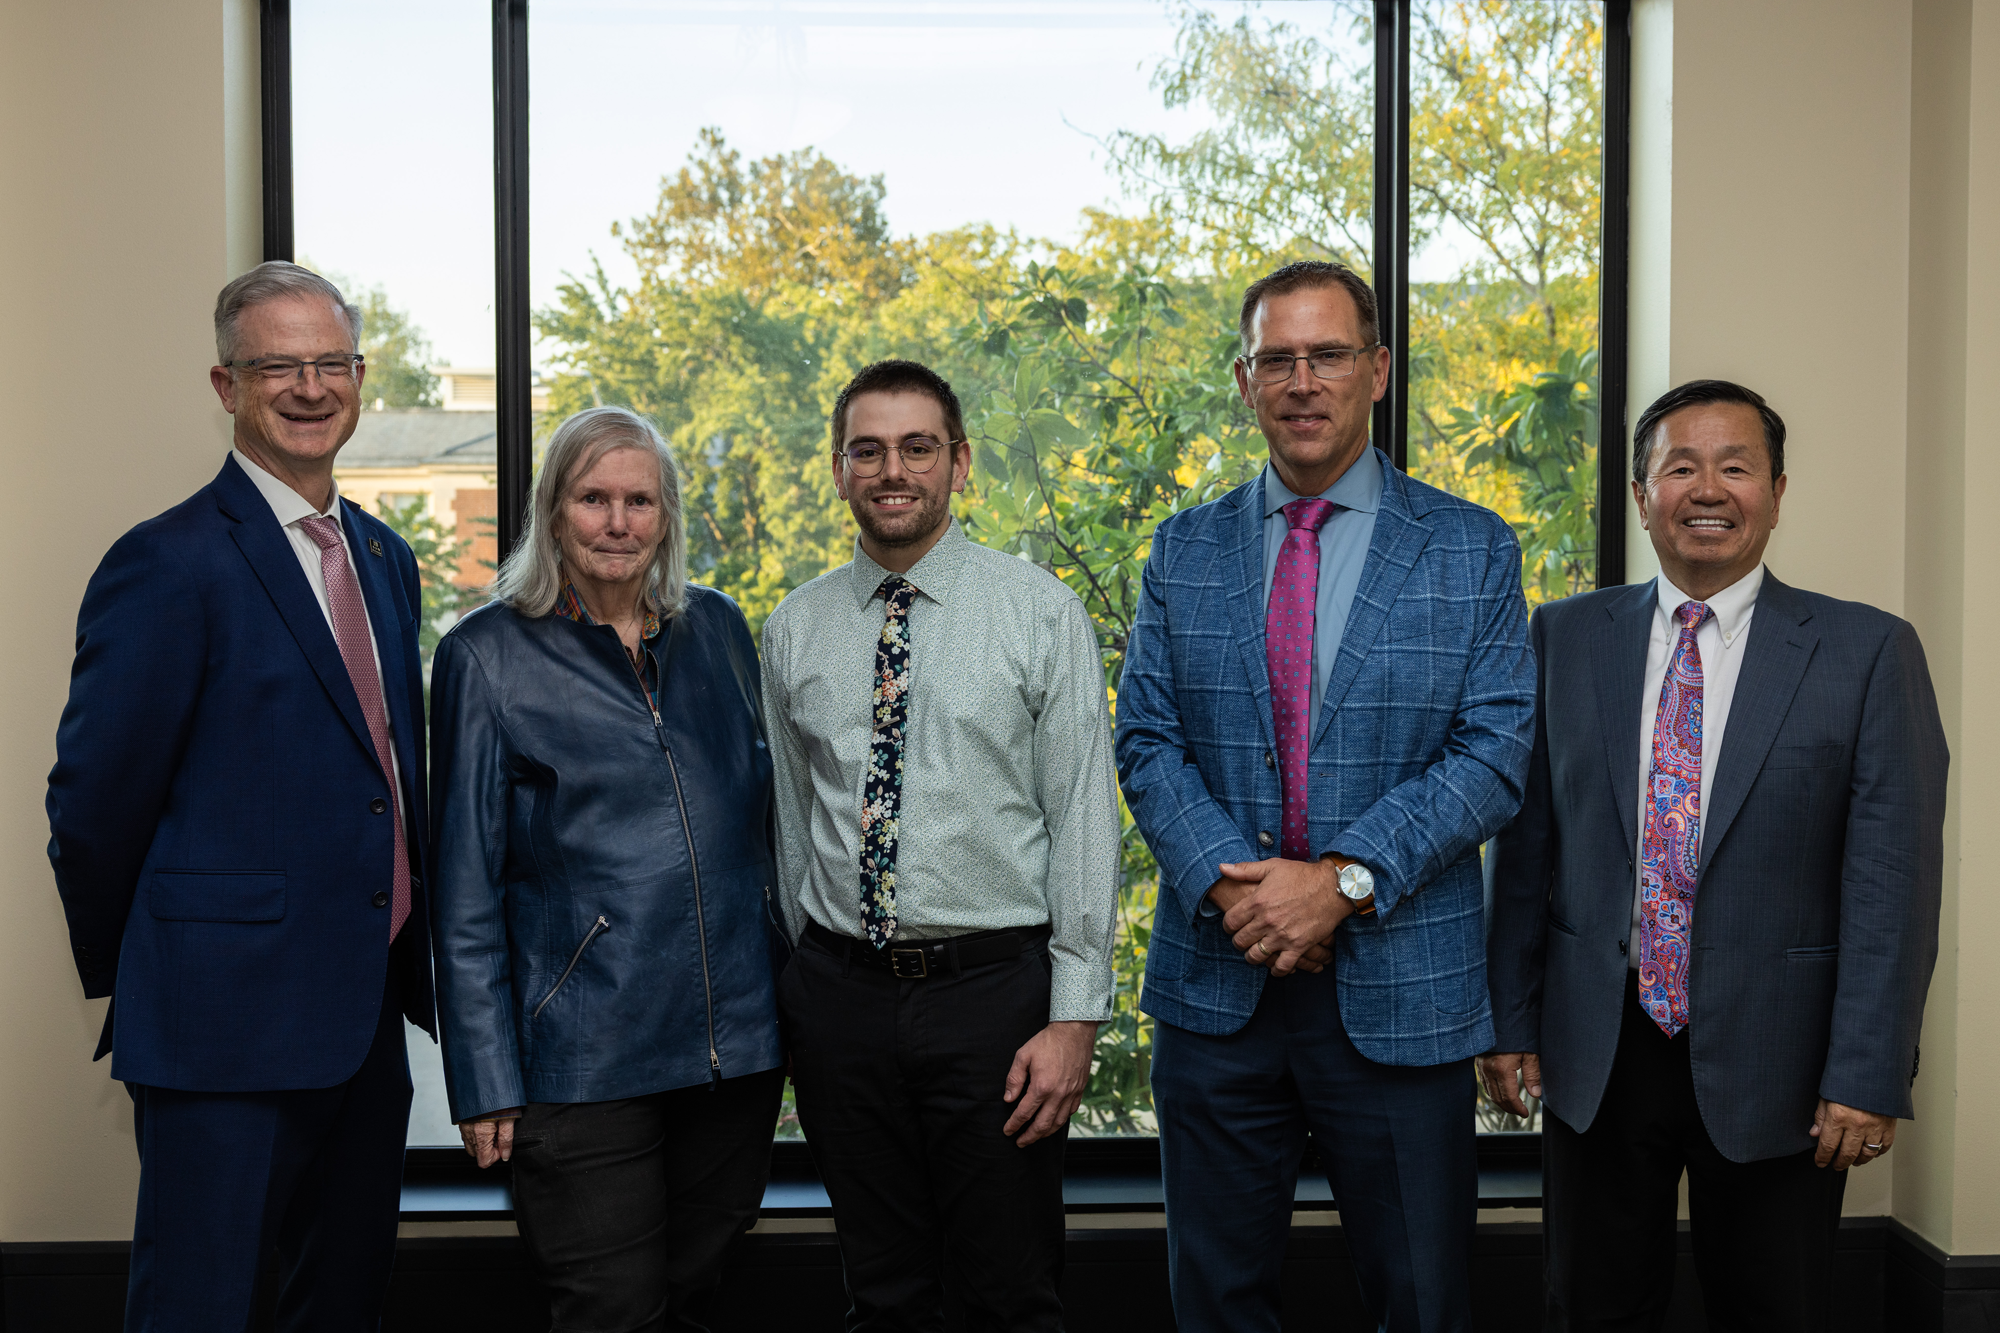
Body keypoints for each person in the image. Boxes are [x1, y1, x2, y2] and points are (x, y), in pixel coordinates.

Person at [1115, 260, 1536, 1333]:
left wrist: (1340, 885)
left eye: (1328, 355)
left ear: (1377, 369)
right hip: (1218, 991)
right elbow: (1148, 743)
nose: (1302, 382)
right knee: (1213, 1303)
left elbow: (1492, 755)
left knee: (1422, 1301)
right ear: (1244, 379)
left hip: (1403, 997)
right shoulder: (1182, 549)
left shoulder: (1470, 548)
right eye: (1276, 359)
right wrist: (1245, 897)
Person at [1481, 379, 1948, 1331]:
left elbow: (1892, 883)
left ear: (1778, 489)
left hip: (1784, 1056)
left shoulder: (1866, 651)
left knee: (1775, 1309)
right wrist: (1507, 1018)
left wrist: (1866, 1071)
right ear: (1643, 494)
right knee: (1593, 1306)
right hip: (1596, 1048)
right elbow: (1528, 848)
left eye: (1736, 466)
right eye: (1680, 466)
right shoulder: (1563, 637)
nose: (1708, 487)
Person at [46, 261, 433, 1330]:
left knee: (339, 1302)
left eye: (330, 364)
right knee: (201, 1308)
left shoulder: (387, 561)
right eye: (277, 367)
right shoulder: (164, 563)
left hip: (364, 1024)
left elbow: (385, 777)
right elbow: (93, 803)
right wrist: (148, 972)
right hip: (218, 1029)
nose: (309, 388)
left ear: (360, 377)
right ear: (226, 385)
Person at [761, 359, 1119, 1331]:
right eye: (867, 449)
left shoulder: (1039, 613)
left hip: (993, 1002)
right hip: (842, 1001)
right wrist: (806, 985)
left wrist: (1074, 1016)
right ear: (837, 469)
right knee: (880, 1292)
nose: (892, 469)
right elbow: (794, 827)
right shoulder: (793, 627)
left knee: (1009, 1293)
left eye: (917, 447)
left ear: (958, 463)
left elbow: (1084, 817)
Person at [428, 406, 786, 1331]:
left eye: (639, 499)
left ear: (666, 515)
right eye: (594, 498)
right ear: (554, 511)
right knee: (611, 1313)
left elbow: (764, 831)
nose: (618, 521)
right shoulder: (486, 654)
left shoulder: (718, 630)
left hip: (733, 1057)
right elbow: (463, 889)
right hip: (584, 1063)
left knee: (701, 1300)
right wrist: (484, 1075)